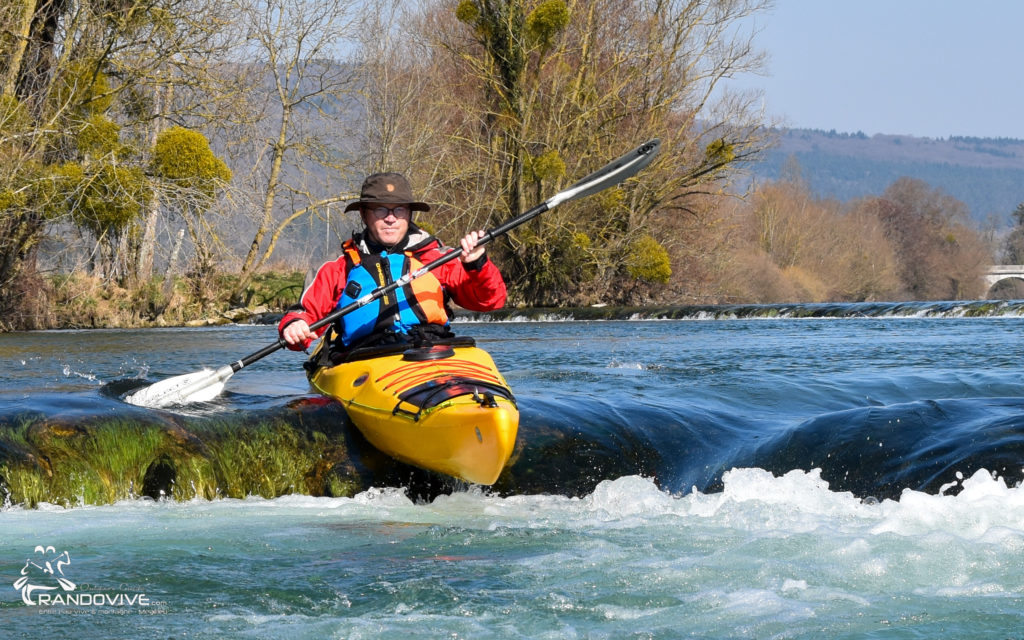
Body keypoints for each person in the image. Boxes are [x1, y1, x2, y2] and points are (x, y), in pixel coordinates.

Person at [278, 172, 506, 360]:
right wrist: (295, 326)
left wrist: (477, 263)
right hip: (365, 358)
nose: (391, 218)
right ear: (364, 214)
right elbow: (305, 316)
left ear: (409, 214)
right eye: (380, 209)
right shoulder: (338, 266)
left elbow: (490, 301)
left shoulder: (437, 257)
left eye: (399, 210)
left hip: (433, 351)